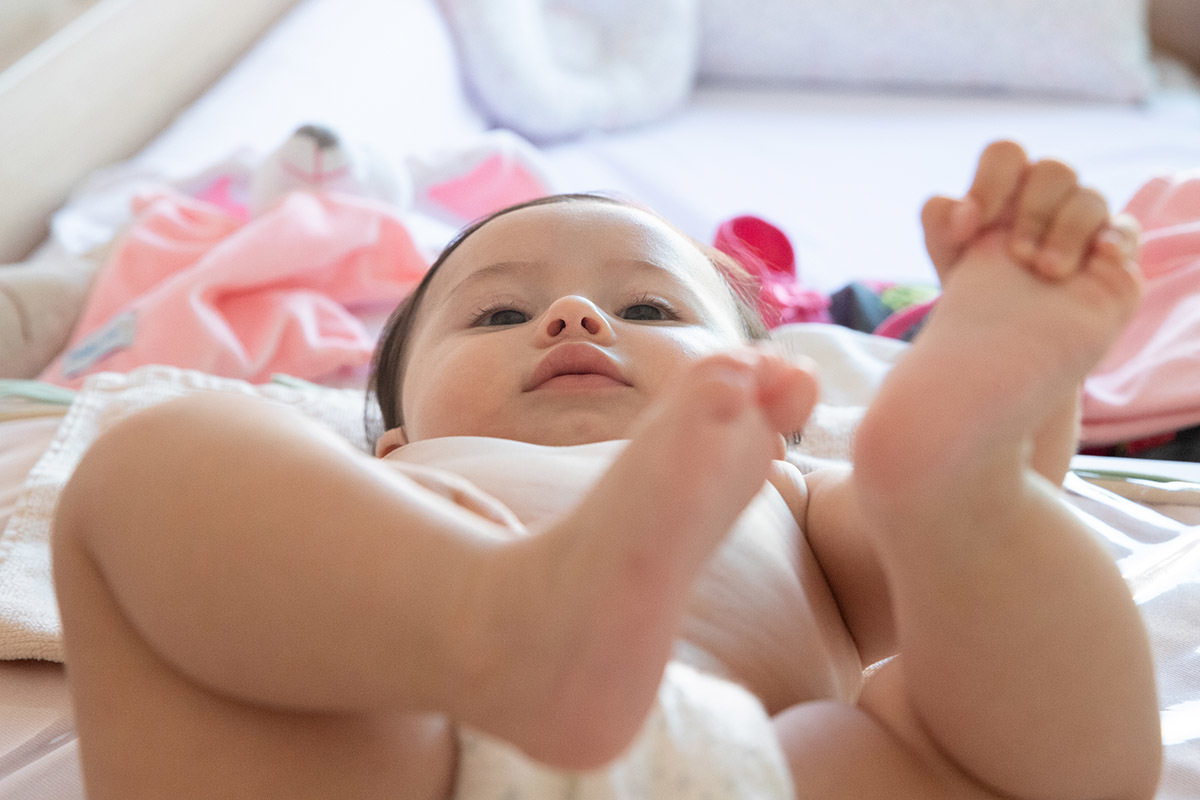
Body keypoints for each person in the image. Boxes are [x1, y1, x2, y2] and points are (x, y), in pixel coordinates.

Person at [52, 140, 1161, 799]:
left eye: (647, 307)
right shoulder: (387, 495)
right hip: (403, 742)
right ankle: (505, 625)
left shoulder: (787, 486)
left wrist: (963, 483)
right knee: (153, 462)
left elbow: (959, 605)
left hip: (750, 766)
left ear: (777, 417)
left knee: (995, 682)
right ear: (390, 438)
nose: (575, 315)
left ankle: (964, 468)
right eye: (498, 311)